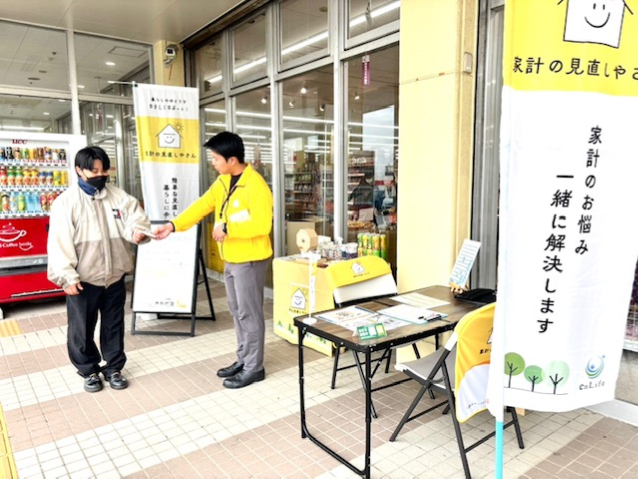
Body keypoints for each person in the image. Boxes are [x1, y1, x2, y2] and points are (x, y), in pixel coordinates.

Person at [154, 131, 273, 389]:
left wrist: (228, 229)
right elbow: (201, 206)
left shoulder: (256, 185)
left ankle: (254, 367)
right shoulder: (223, 182)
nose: (214, 163)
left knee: (249, 314)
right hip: (231, 257)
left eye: (217, 159)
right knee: (236, 310)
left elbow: (262, 224)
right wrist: (173, 226)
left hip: (250, 259)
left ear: (232, 159)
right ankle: (243, 358)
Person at [47, 146, 152, 393]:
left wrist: (137, 232)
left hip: (115, 276)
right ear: (79, 171)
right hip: (83, 280)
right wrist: (66, 277)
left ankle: (113, 367)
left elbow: (135, 220)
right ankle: (89, 370)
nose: (101, 174)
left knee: (114, 324)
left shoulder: (119, 197)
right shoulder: (66, 203)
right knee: (82, 328)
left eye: (104, 169)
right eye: (94, 170)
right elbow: (58, 243)